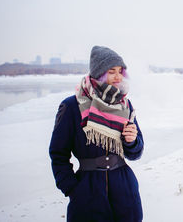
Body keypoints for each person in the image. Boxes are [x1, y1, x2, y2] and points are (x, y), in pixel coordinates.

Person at [49, 46, 144, 222]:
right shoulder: (72, 106)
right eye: (112, 71)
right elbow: (58, 154)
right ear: (99, 73)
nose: (118, 77)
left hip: (125, 191)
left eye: (120, 71)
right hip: (88, 194)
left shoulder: (125, 104)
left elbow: (136, 152)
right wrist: (73, 189)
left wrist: (131, 141)